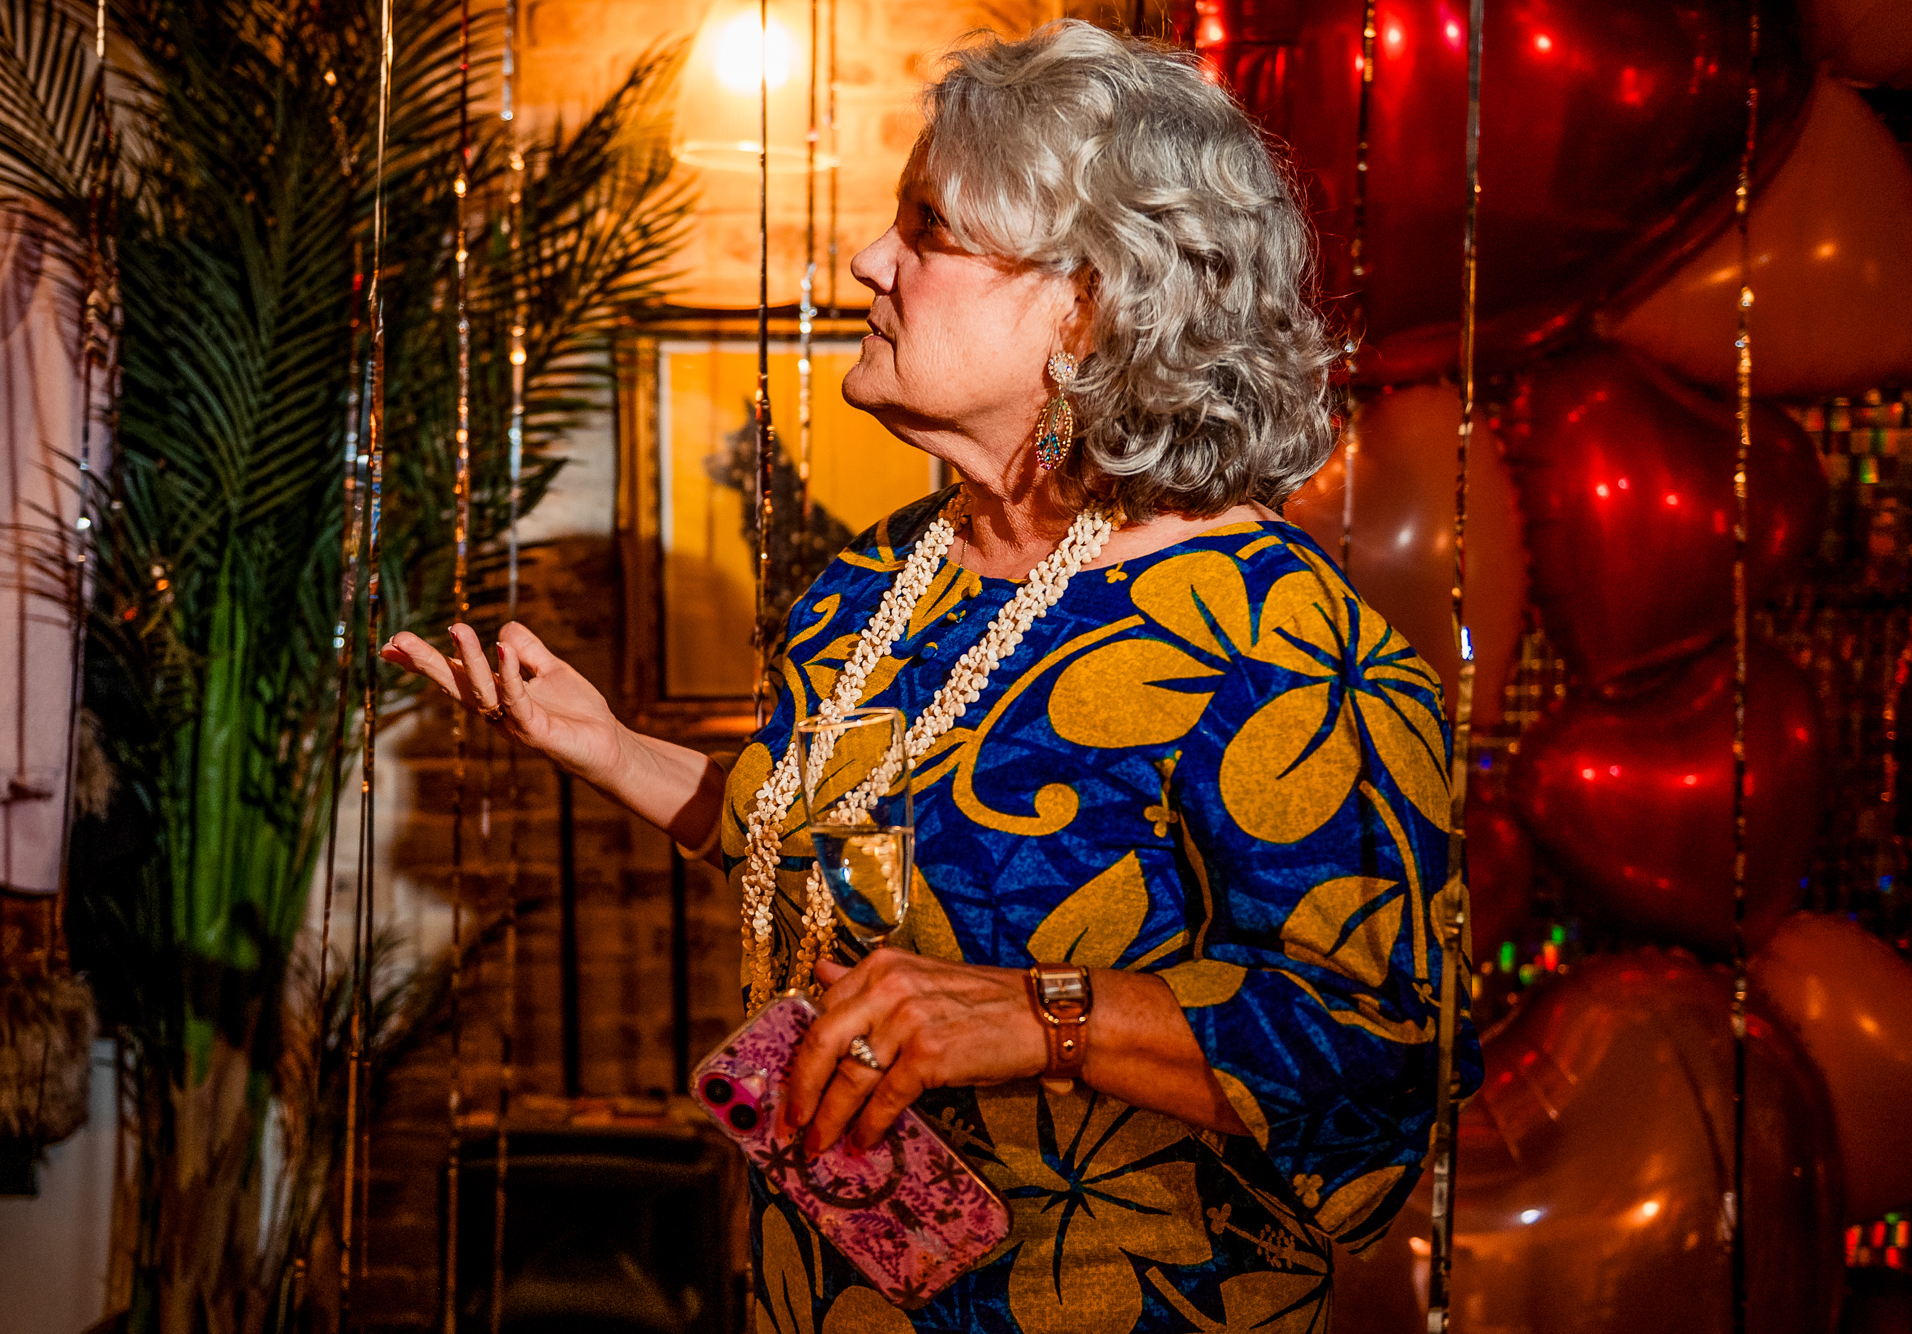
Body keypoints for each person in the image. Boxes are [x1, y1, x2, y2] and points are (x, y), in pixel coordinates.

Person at [387, 20, 1480, 1333]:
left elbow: (1384, 1064)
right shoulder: (877, 585)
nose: (866, 259)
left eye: (927, 229)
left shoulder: (1284, 648)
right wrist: (613, 748)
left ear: (1086, 305)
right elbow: (835, 859)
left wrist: (1042, 1017)